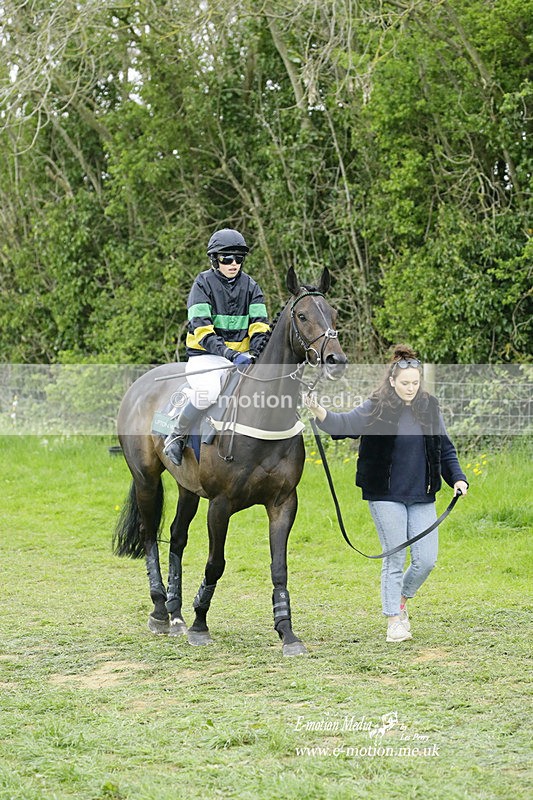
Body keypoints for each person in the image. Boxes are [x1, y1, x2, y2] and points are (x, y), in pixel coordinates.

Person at [304, 345, 468, 643]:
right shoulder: (376, 406)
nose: (411, 388)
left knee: (426, 560)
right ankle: (393, 621)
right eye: (405, 383)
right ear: (392, 381)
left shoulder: (429, 407)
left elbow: (445, 447)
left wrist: (457, 478)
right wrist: (317, 410)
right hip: (385, 494)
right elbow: (344, 425)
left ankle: (401, 600)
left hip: (422, 494)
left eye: (415, 383)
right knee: (395, 557)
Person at [164, 228, 270, 466]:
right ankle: (176, 435)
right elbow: (202, 331)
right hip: (206, 356)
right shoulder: (202, 284)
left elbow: (260, 325)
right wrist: (230, 354)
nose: (234, 264)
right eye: (227, 258)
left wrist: (255, 352)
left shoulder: (252, 286)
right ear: (215, 259)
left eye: (238, 258)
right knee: (210, 392)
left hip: (242, 358)